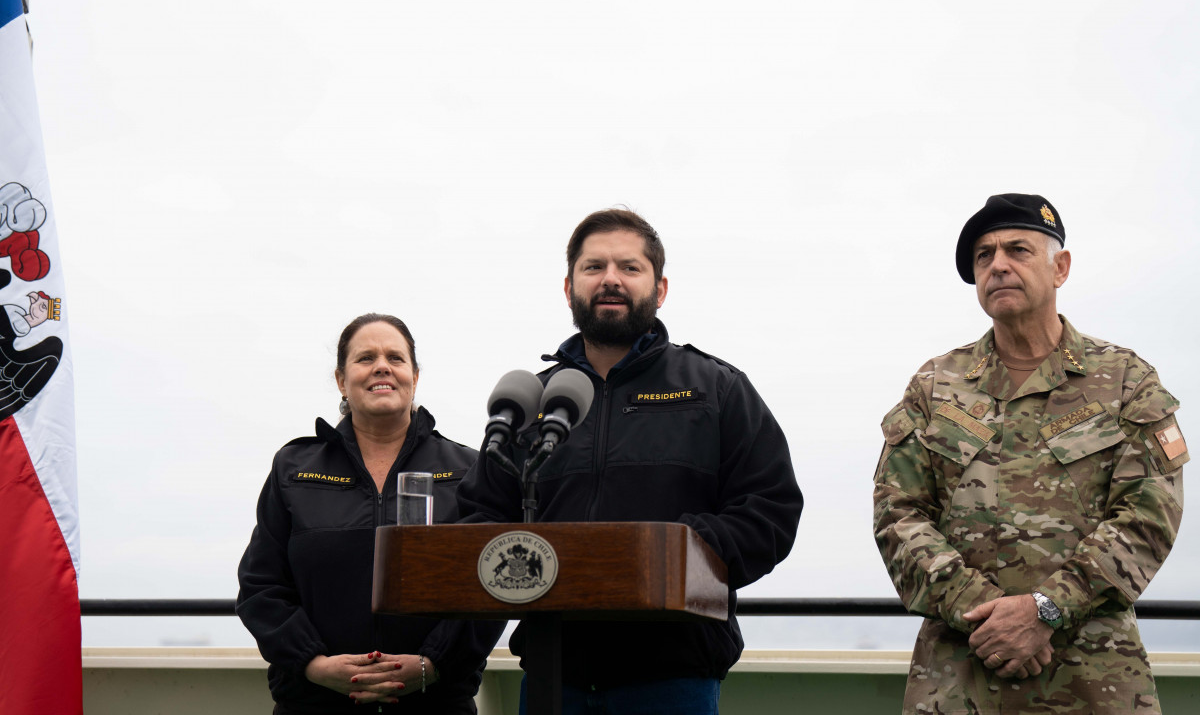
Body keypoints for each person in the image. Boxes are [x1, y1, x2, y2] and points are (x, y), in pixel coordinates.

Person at [456, 208, 803, 715]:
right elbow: (479, 514)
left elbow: (771, 510)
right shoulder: (529, 401)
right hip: (554, 672)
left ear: (660, 289)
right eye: (593, 267)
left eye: (629, 267)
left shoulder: (717, 388)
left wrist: (674, 553)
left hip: (674, 675)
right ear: (569, 286)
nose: (610, 279)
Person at [873, 194, 1189, 714]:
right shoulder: (935, 386)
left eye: (1018, 250)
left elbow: (1148, 515)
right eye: (984, 256)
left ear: (1059, 267)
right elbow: (897, 514)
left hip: (1094, 679)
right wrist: (984, 611)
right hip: (960, 676)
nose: (998, 265)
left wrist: (1046, 609)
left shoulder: (1126, 380)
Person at [237, 314, 504, 714]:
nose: (382, 365)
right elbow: (261, 585)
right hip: (314, 703)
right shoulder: (292, 467)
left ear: (414, 376)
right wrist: (314, 664)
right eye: (366, 358)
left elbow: (490, 587)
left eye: (395, 358)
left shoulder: (467, 470)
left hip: (435, 702)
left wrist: (433, 663)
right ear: (342, 380)